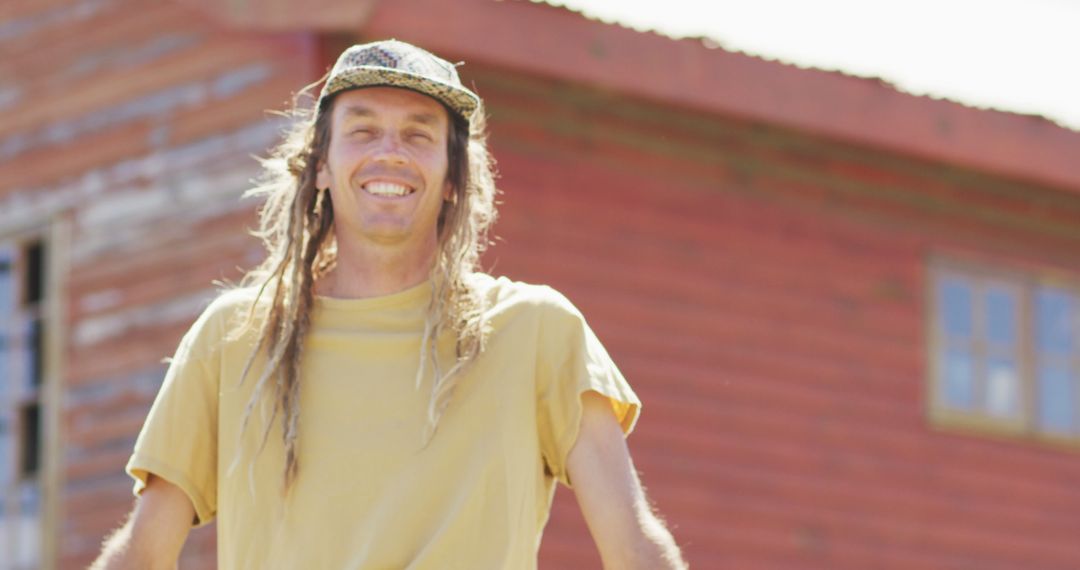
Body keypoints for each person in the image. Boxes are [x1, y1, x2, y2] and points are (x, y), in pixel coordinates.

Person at [91, 40, 686, 569]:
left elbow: (634, 550)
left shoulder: (536, 331)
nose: (391, 153)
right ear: (321, 166)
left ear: (453, 177)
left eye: (420, 134)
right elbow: (143, 555)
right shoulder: (236, 336)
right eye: (363, 130)